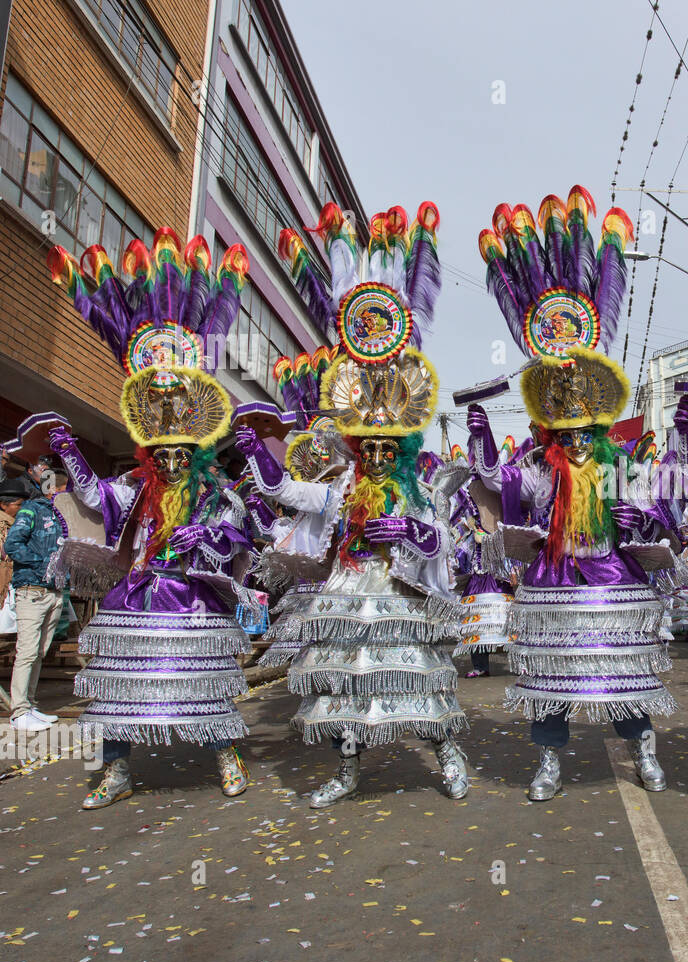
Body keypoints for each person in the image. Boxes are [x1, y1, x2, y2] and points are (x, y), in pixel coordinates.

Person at [239, 201, 472, 809]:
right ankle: (348, 770)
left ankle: (447, 755)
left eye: (381, 447)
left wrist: (409, 532)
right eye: (362, 447)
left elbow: (442, 541)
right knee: (344, 685)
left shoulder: (416, 486)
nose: (371, 456)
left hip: (398, 597)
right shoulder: (341, 485)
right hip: (347, 594)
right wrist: (258, 456)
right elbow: (292, 492)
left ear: (397, 447)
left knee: (418, 678)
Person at [470, 184, 673, 801]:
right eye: (567, 432)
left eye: (587, 431)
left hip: (611, 579)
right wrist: (481, 446)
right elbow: (500, 494)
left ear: (601, 426)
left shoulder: (619, 464)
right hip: (554, 580)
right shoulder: (537, 467)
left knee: (621, 669)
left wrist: (640, 516)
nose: (578, 441)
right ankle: (550, 761)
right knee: (552, 671)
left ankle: (643, 749)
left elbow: (659, 512)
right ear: (550, 430)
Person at [45, 231, 258, 807]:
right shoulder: (139, 486)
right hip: (138, 595)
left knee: (204, 683)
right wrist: (69, 453)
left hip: (191, 597)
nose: (168, 463)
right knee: (120, 684)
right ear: (148, 454)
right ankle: (116, 771)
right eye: (159, 455)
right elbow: (96, 497)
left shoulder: (212, 488)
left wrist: (205, 535)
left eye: (178, 456)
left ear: (194, 453)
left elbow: (239, 528)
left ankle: (227, 755)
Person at [4, 478, 63, 732]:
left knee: (39, 652)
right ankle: (19, 712)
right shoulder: (30, 510)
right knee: (27, 652)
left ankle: (30, 704)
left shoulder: (61, 515)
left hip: (54, 591)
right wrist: (41, 564)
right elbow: (12, 544)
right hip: (32, 590)